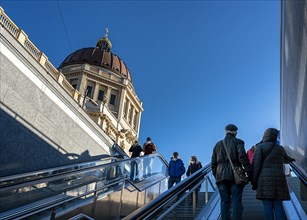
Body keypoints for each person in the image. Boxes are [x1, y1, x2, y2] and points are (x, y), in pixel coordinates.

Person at [251, 128, 295, 220]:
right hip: (279, 180)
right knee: (278, 204)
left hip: (264, 181)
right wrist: (292, 159)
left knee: (267, 205)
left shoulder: (260, 147)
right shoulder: (280, 148)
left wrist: (254, 181)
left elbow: (256, 165)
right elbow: (286, 159)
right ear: (275, 136)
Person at [211, 124, 251, 220]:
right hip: (235, 176)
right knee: (237, 201)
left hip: (221, 176)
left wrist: (216, 176)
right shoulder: (239, 142)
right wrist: (248, 171)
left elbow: (213, 163)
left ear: (226, 132)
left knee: (224, 201)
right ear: (235, 132)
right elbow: (243, 157)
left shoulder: (218, 144)